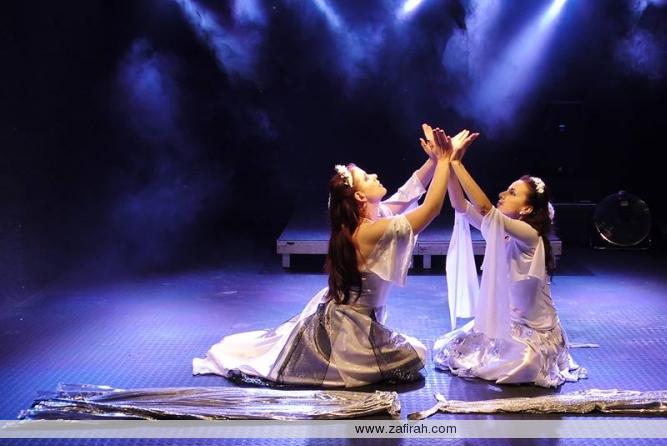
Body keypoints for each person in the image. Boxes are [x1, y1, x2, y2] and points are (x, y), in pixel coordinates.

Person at [193, 125, 453, 387]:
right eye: (367, 177)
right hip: (350, 330)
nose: (375, 175)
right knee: (414, 355)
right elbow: (431, 209)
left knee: (413, 354)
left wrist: (433, 161)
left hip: (354, 321)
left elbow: (408, 193)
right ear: (360, 196)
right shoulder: (368, 231)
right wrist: (445, 160)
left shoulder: (373, 219)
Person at [431, 128, 586, 387]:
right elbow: (460, 205)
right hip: (510, 322)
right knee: (456, 349)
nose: (502, 194)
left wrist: (457, 162)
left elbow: (485, 208)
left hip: (535, 331)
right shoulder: (499, 231)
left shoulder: (530, 235)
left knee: (520, 365)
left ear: (526, 209)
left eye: (512, 193)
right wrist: (446, 162)